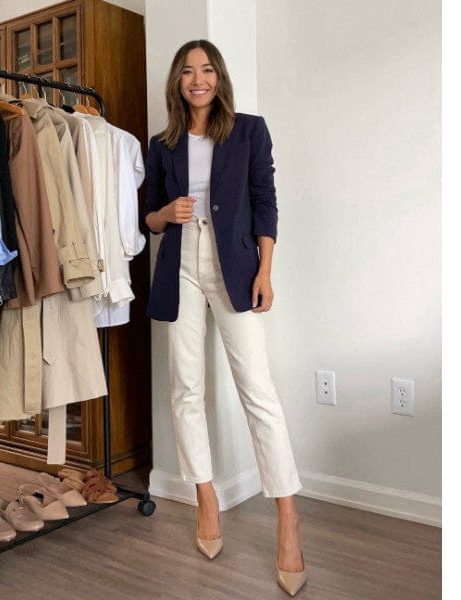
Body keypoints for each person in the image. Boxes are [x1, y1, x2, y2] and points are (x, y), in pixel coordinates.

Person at [142, 39, 307, 596]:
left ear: (219, 77)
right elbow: (149, 216)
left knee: (257, 390)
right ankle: (205, 499)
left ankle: (287, 516)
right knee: (186, 389)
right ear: (177, 81)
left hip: (234, 268)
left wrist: (264, 271)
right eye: (187, 71)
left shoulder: (249, 130)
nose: (198, 79)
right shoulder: (162, 143)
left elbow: (267, 200)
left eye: (207, 70)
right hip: (181, 267)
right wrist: (165, 212)